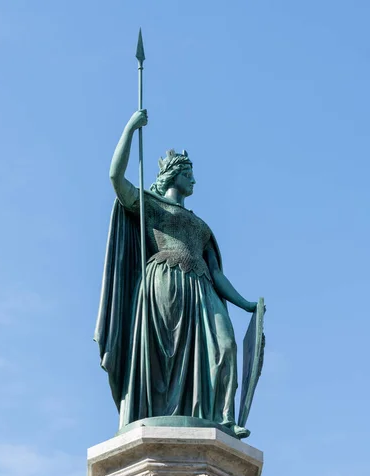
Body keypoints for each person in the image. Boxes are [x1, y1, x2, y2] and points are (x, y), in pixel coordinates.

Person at [94, 110, 257, 438]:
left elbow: (217, 274)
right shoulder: (151, 204)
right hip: (165, 281)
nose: (194, 181)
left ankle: (224, 418)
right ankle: (158, 414)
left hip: (202, 287)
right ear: (174, 175)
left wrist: (246, 305)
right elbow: (115, 178)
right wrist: (129, 128)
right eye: (189, 173)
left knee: (225, 346)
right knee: (162, 360)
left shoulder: (201, 225)